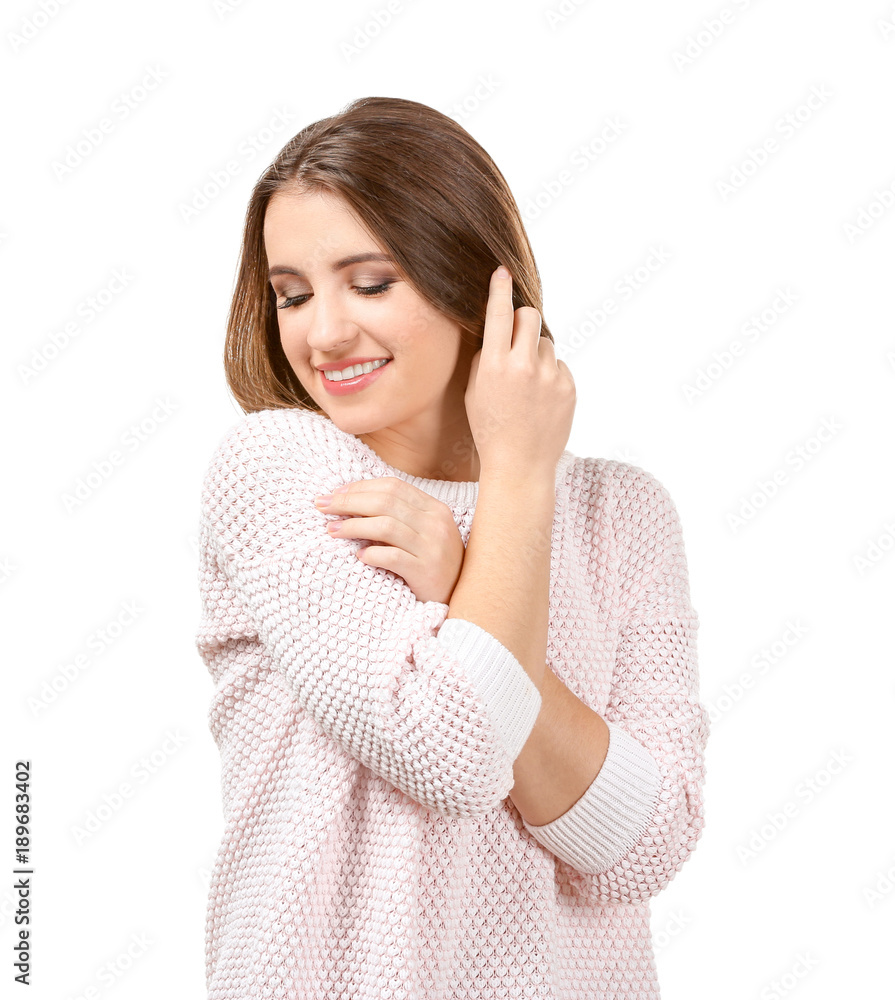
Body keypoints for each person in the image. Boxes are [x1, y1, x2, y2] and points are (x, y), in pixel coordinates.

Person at [195, 95, 710, 999]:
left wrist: (472, 565)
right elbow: (451, 747)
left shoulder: (622, 514)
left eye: (371, 282)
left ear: (481, 284)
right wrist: (516, 480)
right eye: (291, 294)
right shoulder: (279, 468)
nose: (323, 333)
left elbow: (643, 847)